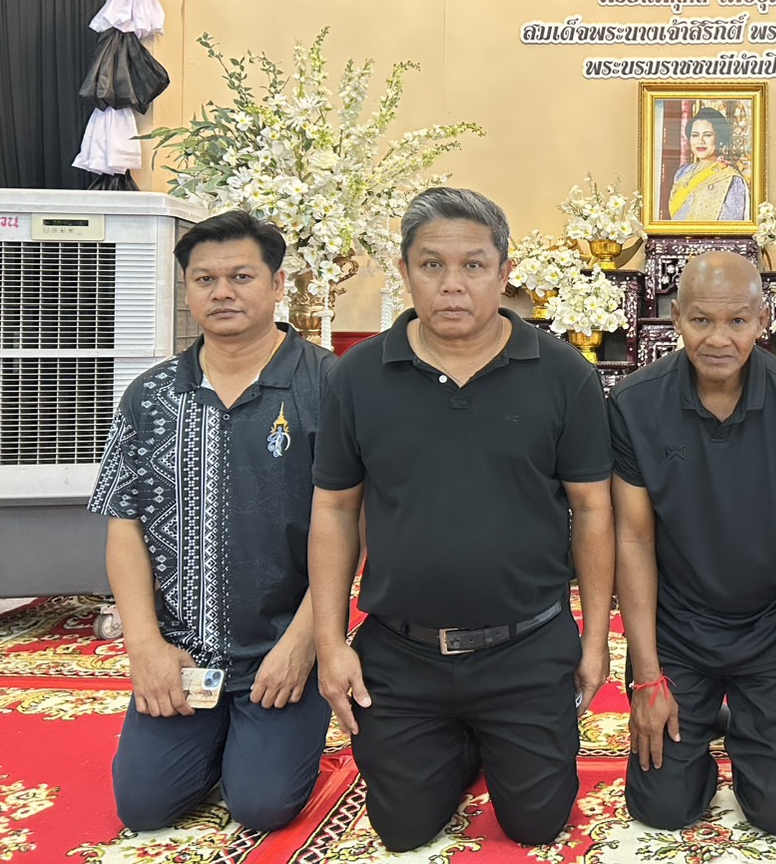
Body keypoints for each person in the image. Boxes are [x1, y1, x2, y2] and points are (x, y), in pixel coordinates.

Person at [308, 187, 614, 852]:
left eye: (473, 265)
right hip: (401, 651)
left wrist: (593, 639)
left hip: (526, 646)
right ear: (404, 272)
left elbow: (593, 508)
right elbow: (334, 508)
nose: (453, 285)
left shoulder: (563, 374)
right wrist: (330, 643)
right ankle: (459, 741)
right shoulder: (357, 376)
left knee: (536, 825)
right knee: (403, 831)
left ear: (505, 272)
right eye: (432, 265)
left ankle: (489, 736)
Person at [87, 210, 335, 833]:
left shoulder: (330, 387)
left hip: (283, 651)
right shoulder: (150, 395)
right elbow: (124, 525)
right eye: (205, 279)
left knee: (262, 807)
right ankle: (218, 735)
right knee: (144, 807)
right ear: (187, 289)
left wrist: (304, 644)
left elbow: (358, 526)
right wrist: (145, 647)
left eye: (241, 276)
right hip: (182, 655)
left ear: (278, 284)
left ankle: (264, 738)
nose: (222, 292)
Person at [609, 251, 776, 835]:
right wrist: (648, 676)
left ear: (763, 320)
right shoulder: (636, 403)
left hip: (773, 630)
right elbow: (633, 539)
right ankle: (703, 743)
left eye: (737, 321)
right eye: (701, 320)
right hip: (680, 629)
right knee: (662, 808)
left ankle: (747, 732)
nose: (718, 339)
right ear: (676, 319)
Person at [668, 109, 749, 221]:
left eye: (707, 135)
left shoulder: (730, 178)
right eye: (695, 135)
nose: (700, 141)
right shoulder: (682, 173)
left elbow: (731, 225)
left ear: (719, 139)